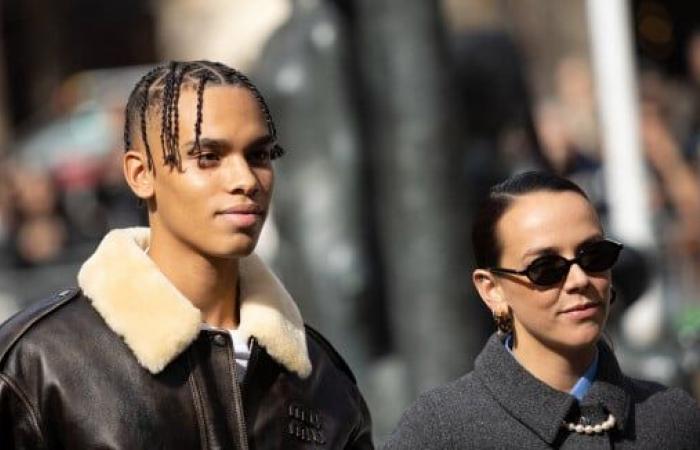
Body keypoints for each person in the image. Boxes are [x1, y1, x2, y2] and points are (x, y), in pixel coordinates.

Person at [0, 60, 373, 449]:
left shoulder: (321, 378)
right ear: (140, 174)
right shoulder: (37, 364)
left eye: (259, 155)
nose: (245, 180)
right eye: (208, 157)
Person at [384, 171, 700, 449]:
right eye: (546, 268)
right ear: (492, 290)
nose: (579, 280)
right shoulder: (440, 430)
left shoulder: (672, 419)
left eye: (594, 256)